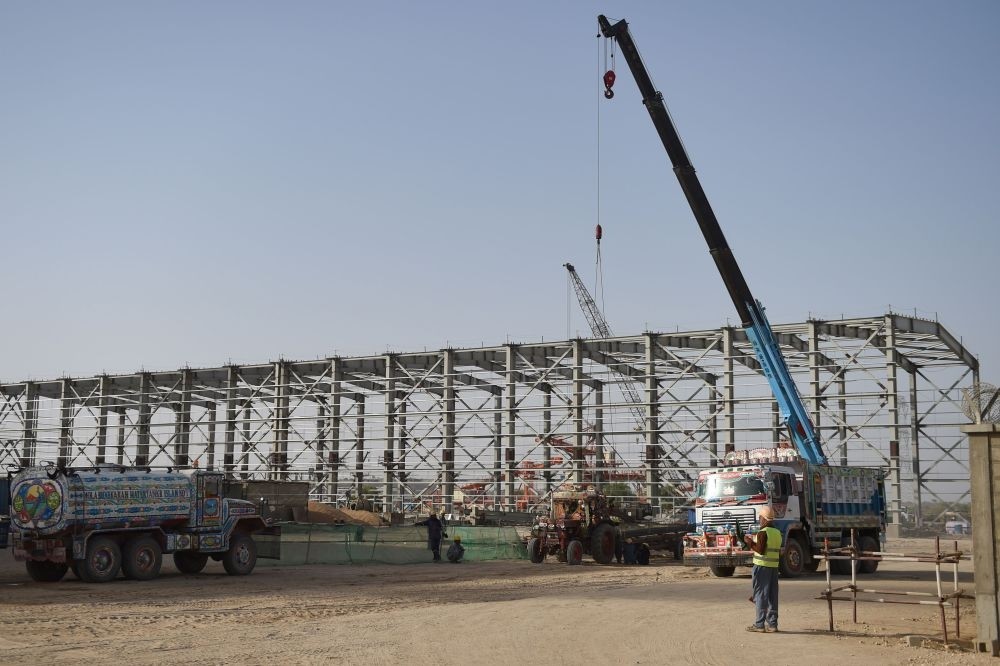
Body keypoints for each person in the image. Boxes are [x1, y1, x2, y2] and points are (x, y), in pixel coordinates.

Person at [743, 506, 781, 632]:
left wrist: (749, 542)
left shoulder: (763, 532)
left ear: (764, 519)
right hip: (774, 568)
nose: (759, 520)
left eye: (760, 518)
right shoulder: (777, 533)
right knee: (772, 596)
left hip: (761, 567)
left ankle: (759, 625)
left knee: (760, 595)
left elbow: (760, 550)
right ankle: (773, 624)